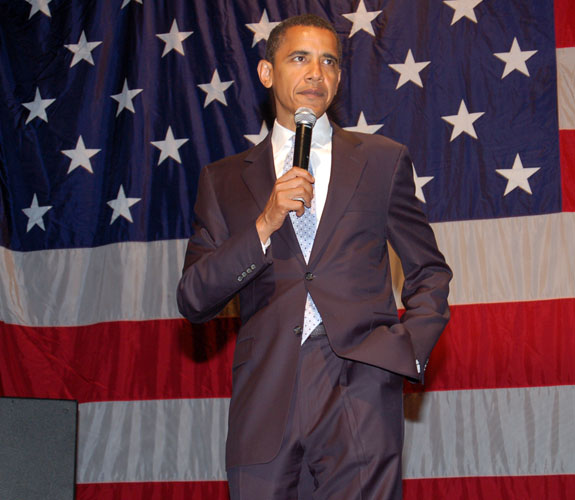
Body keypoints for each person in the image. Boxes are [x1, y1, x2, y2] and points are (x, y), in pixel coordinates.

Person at [177, 13, 452, 500]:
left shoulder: (382, 159)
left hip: (361, 385)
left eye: (328, 62)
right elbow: (195, 298)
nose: (315, 73)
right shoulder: (221, 180)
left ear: (339, 78)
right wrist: (263, 225)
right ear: (268, 73)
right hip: (267, 393)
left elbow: (429, 270)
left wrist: (401, 350)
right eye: (299, 58)